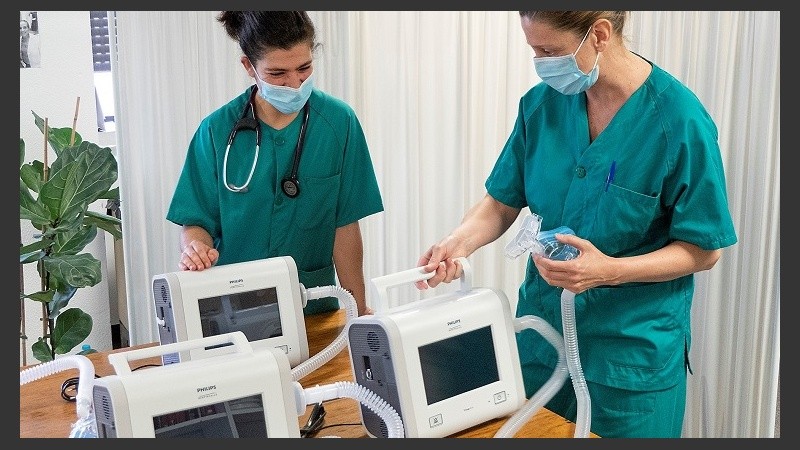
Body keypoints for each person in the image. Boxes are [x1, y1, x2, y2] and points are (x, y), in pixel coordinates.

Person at [416, 11, 737, 438]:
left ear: (599, 34)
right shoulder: (541, 106)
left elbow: (704, 249)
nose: (541, 63)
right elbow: (501, 202)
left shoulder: (678, 122)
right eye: (533, 50)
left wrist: (609, 271)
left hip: (629, 365)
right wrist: (458, 242)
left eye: (549, 51)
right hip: (542, 343)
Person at [167, 11, 383, 316]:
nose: (294, 83)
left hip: (312, 304)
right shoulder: (216, 131)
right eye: (277, 73)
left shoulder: (338, 123)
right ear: (249, 66)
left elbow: (345, 227)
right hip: (233, 306)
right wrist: (195, 248)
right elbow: (197, 221)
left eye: (304, 68)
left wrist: (358, 311)